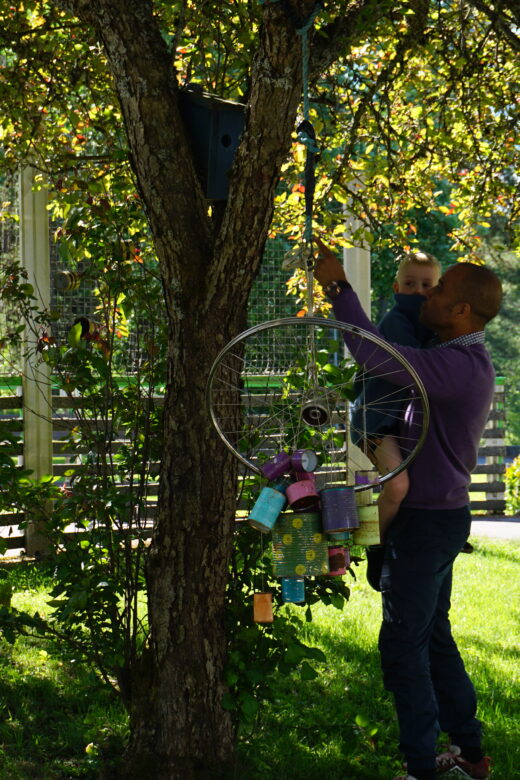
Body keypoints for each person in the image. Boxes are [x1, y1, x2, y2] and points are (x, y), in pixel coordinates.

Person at [313, 236, 502, 780]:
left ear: (461, 309)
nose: (429, 297)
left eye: (440, 290)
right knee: (433, 638)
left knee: (402, 647)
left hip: (425, 524)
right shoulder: (452, 356)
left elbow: (376, 354)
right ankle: (470, 756)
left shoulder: (461, 367)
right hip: (434, 520)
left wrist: (338, 286)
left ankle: (421, 768)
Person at [351, 251, 441, 549]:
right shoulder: (396, 321)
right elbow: (417, 362)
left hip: (398, 419)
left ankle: (399, 540)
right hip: (376, 420)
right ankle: (374, 544)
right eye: (410, 284)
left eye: (427, 285)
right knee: (397, 485)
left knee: (415, 485)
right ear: (396, 288)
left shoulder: (431, 322)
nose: (418, 292)